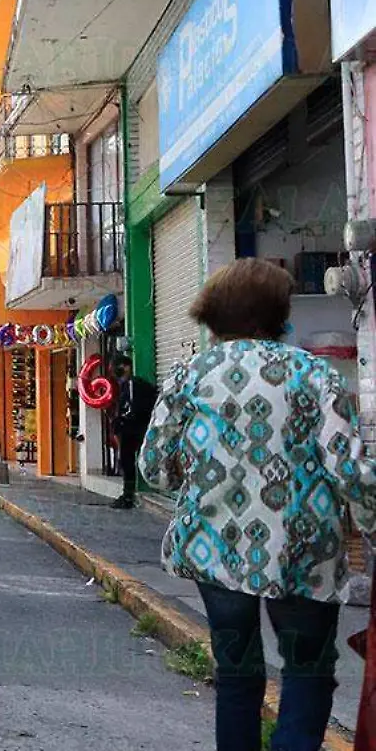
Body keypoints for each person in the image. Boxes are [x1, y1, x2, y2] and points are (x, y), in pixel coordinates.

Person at [141, 259, 376, 751]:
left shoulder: (191, 373)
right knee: (308, 672)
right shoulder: (315, 373)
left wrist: (200, 474)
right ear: (274, 314)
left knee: (237, 676)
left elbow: (153, 468)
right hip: (304, 553)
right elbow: (349, 471)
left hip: (215, 549)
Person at [110, 358, 157, 510]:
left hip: (134, 428)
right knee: (127, 460)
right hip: (135, 427)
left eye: (119, 366)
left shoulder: (132, 384)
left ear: (128, 367)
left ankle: (129, 495)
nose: (116, 370)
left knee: (127, 460)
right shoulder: (126, 385)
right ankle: (128, 494)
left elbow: (131, 408)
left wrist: (122, 420)